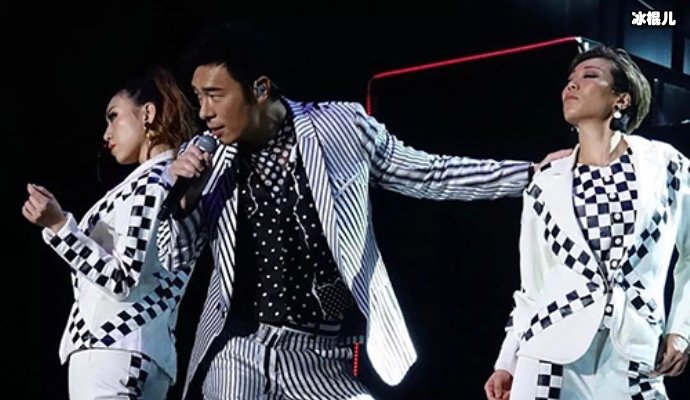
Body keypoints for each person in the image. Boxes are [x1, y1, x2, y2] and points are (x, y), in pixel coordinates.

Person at [163, 22, 568, 400]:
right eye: (199, 98)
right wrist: (184, 201)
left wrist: (528, 174)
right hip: (240, 348)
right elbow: (172, 256)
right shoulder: (205, 158)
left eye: (215, 95)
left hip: (323, 356)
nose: (204, 112)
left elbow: (429, 174)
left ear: (260, 88)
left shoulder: (339, 126)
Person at [484, 46, 689, 400]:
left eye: (590, 76)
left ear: (622, 99)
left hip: (635, 350)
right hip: (548, 349)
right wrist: (507, 361)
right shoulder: (546, 181)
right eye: (570, 80)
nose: (572, 85)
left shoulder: (666, 165)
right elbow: (532, 286)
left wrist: (681, 329)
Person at [22, 67, 198, 400]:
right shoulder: (175, 181)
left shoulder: (153, 183)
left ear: (147, 114)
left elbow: (121, 280)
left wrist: (59, 226)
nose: (106, 133)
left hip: (111, 350)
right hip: (147, 355)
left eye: (113, 116)